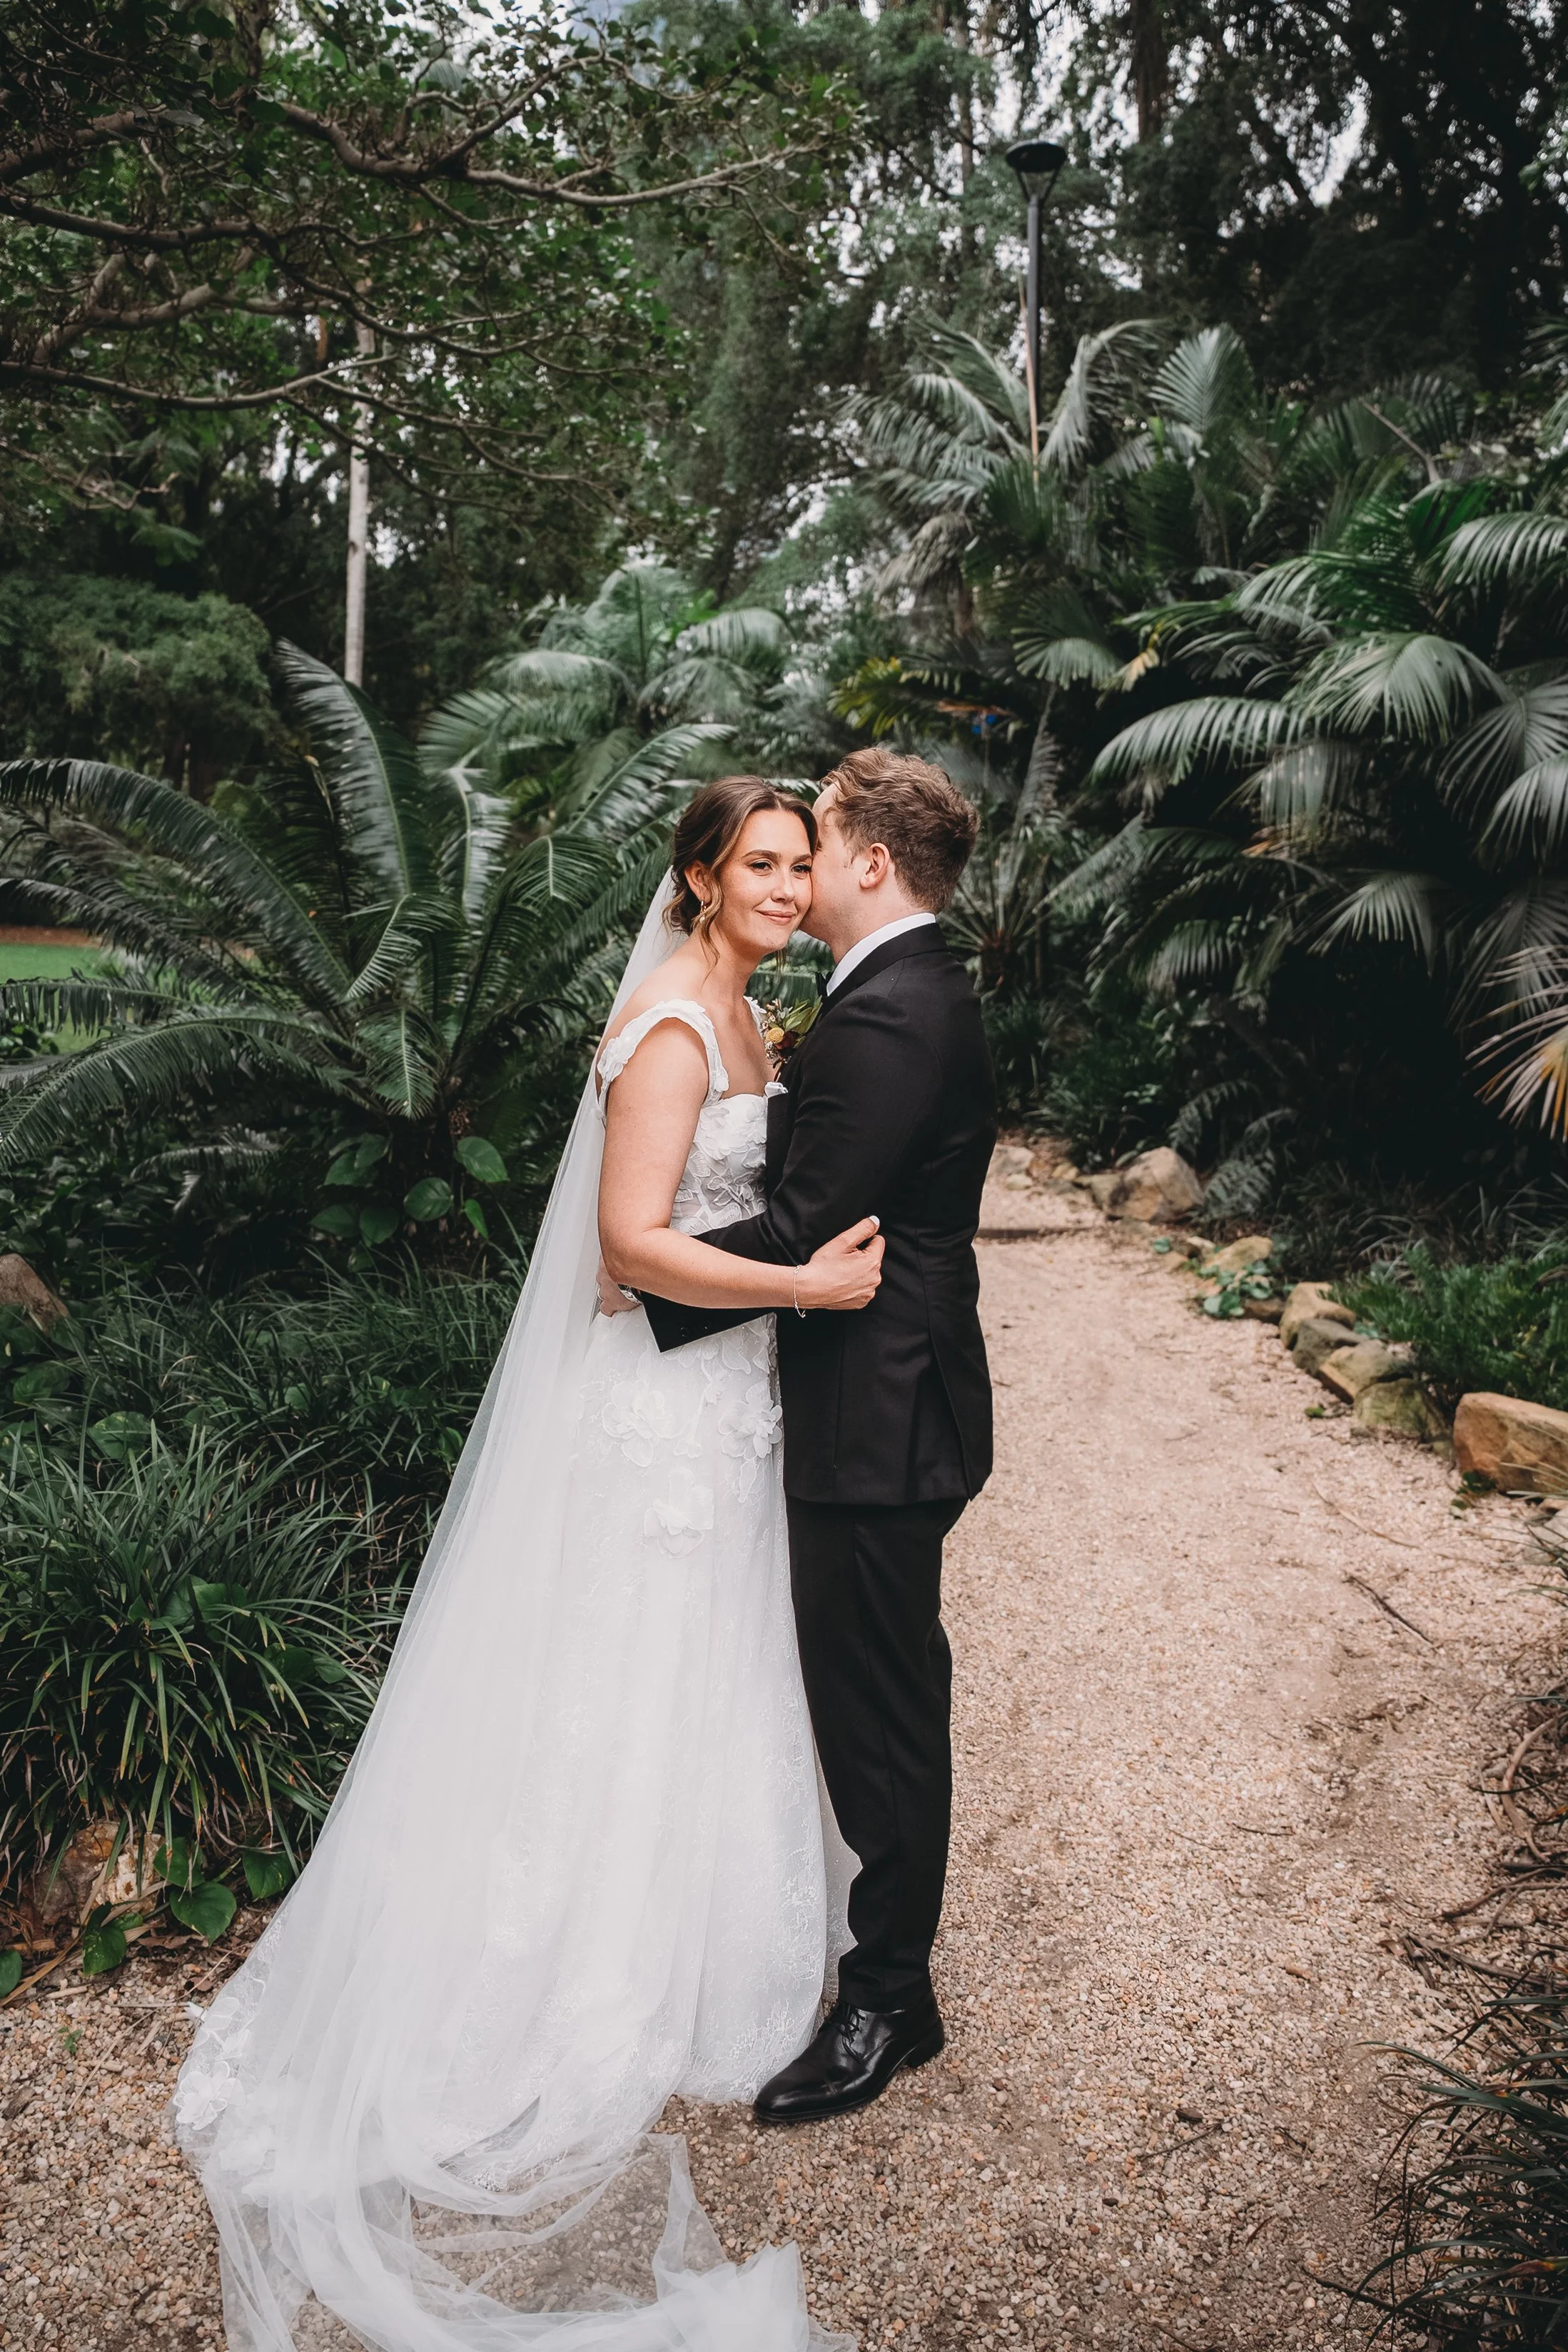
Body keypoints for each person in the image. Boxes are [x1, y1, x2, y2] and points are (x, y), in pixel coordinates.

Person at [174, 776, 884, 2352]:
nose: (786, 884)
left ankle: (709, 1966)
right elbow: (630, 1255)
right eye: (759, 864)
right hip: (661, 1416)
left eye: (800, 864)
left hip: (732, 1407)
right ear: (700, 878)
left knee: (707, 1678)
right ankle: (574, 1985)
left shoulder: (749, 1012)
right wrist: (813, 1299)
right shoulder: (680, 1028)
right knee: (623, 1677)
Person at [629, 747, 997, 2125]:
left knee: (883, 1712)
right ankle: (885, 1973)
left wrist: (632, 1287)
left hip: (878, 1413)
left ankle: (891, 2000)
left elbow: (799, 1229)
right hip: (871, 1399)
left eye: (816, 844)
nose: (798, 867)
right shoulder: (884, 993)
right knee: (873, 1693)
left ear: (867, 865)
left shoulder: (892, 1014)